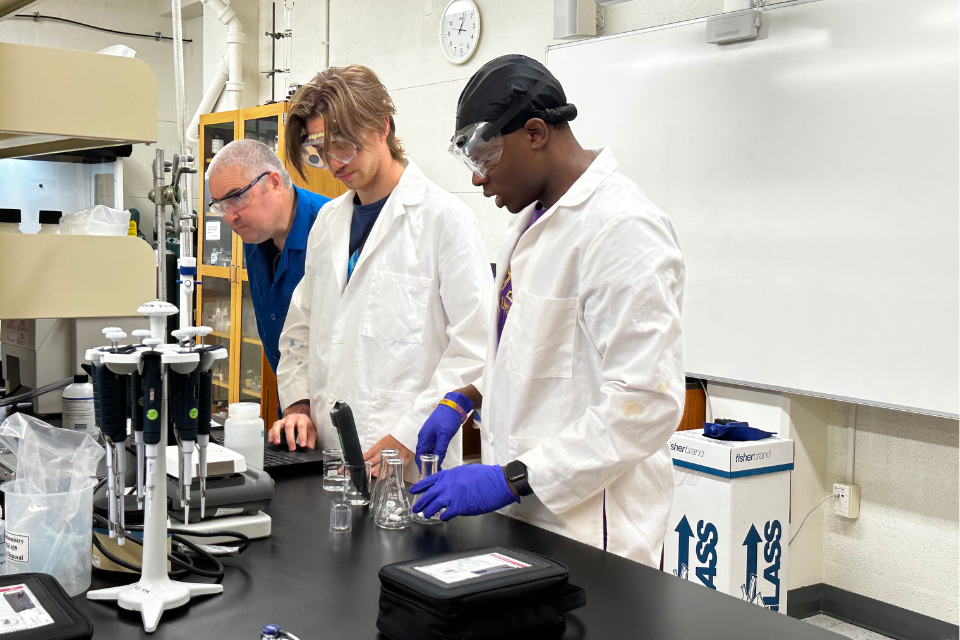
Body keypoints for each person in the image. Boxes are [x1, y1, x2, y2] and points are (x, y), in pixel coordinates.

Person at [410, 54, 686, 567]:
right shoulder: (533, 221)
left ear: (535, 133)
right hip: (527, 521)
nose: (478, 179)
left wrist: (512, 478)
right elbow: (544, 359)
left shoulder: (621, 227)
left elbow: (647, 403)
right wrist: (467, 397)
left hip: (592, 531)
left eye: (487, 157)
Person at [270, 65, 490, 477]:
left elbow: (475, 347)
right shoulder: (328, 222)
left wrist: (407, 435)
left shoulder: (445, 220)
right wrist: (298, 404)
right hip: (328, 458)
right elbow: (301, 327)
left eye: (343, 145)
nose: (334, 164)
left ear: (382, 127)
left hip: (411, 467)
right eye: (319, 152)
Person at [207, 140, 330, 421]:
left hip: (336, 412)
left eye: (236, 197)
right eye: (220, 205)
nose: (229, 217)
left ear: (274, 182)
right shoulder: (255, 237)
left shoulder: (331, 228)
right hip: (292, 408)